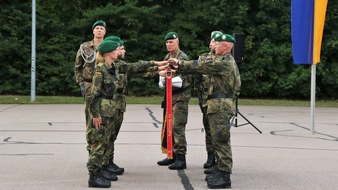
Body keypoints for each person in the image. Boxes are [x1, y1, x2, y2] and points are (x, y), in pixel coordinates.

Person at [167, 33, 241, 189]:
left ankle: (224, 175)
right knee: (216, 139)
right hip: (215, 104)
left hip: (221, 105)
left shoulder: (225, 62)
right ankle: (219, 168)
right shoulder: (220, 60)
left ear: (227, 46)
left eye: (218, 44)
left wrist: (179, 64)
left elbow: (200, 66)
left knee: (221, 141)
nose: (214, 46)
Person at [87, 40, 121, 188]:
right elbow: (93, 94)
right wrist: (95, 115)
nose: (118, 52)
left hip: (110, 109)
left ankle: (101, 169)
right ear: (108, 53)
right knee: (99, 143)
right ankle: (93, 176)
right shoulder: (100, 69)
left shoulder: (111, 67)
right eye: (115, 50)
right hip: (102, 110)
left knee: (106, 142)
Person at [157, 32, 191, 170]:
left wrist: (169, 78)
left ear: (178, 42)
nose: (168, 45)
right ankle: (171, 155)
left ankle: (181, 158)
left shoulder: (182, 58)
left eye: (171, 42)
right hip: (169, 96)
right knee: (169, 126)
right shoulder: (167, 57)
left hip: (180, 97)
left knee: (177, 126)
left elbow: (186, 79)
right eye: (167, 42)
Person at [74, 20, 106, 153]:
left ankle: (104, 151)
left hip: (105, 87)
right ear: (93, 31)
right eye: (97, 28)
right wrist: (81, 84)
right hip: (89, 85)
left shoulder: (109, 46)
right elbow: (77, 67)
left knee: (105, 117)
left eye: (101, 28)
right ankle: (91, 149)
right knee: (90, 117)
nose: (99, 30)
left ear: (105, 32)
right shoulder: (85, 47)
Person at [194, 31, 222, 169]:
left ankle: (219, 159)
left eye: (216, 41)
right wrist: (200, 97)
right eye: (212, 41)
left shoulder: (224, 60)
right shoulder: (204, 58)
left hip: (218, 102)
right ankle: (210, 156)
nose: (213, 43)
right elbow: (197, 80)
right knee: (208, 129)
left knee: (218, 132)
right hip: (205, 101)